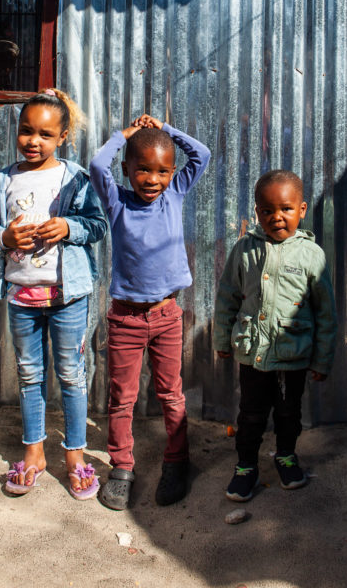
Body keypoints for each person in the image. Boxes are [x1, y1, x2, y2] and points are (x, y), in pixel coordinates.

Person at [0, 89, 107, 499]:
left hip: (68, 296)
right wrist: (3, 236)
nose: (34, 141)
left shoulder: (75, 178)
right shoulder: (1, 181)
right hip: (22, 298)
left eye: (45, 134)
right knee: (30, 375)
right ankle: (34, 453)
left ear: (63, 137)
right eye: (26, 131)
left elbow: (98, 224)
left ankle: (75, 456)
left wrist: (69, 227)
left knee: (71, 375)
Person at [89, 114, 211, 509]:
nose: (152, 179)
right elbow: (95, 165)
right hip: (125, 319)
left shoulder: (174, 194)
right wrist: (125, 135)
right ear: (127, 170)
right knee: (121, 399)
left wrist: (167, 130)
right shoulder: (117, 202)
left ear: (172, 173)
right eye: (142, 169)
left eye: (161, 171)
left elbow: (203, 155)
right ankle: (122, 468)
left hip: (166, 316)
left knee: (171, 395)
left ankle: (176, 462)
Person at [213, 169, 338, 502]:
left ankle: (286, 455)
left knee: (288, 411)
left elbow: (326, 313)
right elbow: (227, 296)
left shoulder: (312, 256)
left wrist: (322, 359)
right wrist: (222, 339)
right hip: (253, 352)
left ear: (302, 210)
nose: (276, 217)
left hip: (293, 355)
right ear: (257, 212)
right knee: (250, 414)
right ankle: (245, 466)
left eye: (285, 208)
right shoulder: (244, 250)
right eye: (266, 210)